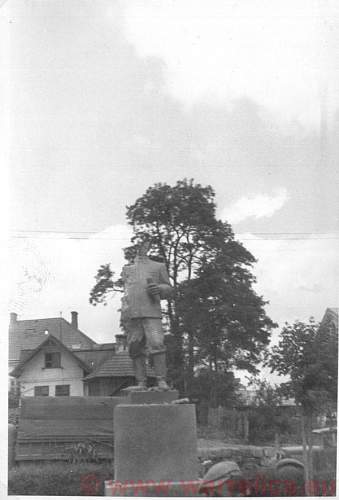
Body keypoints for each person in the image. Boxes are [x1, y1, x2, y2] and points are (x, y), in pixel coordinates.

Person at [120, 238, 173, 391]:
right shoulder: (127, 269)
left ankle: (161, 380)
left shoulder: (158, 266)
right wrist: (125, 313)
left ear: (148, 246)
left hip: (151, 312)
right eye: (137, 245)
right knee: (135, 347)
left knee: (157, 344)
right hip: (132, 313)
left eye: (143, 244)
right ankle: (141, 382)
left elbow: (168, 288)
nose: (140, 247)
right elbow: (126, 291)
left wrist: (160, 288)